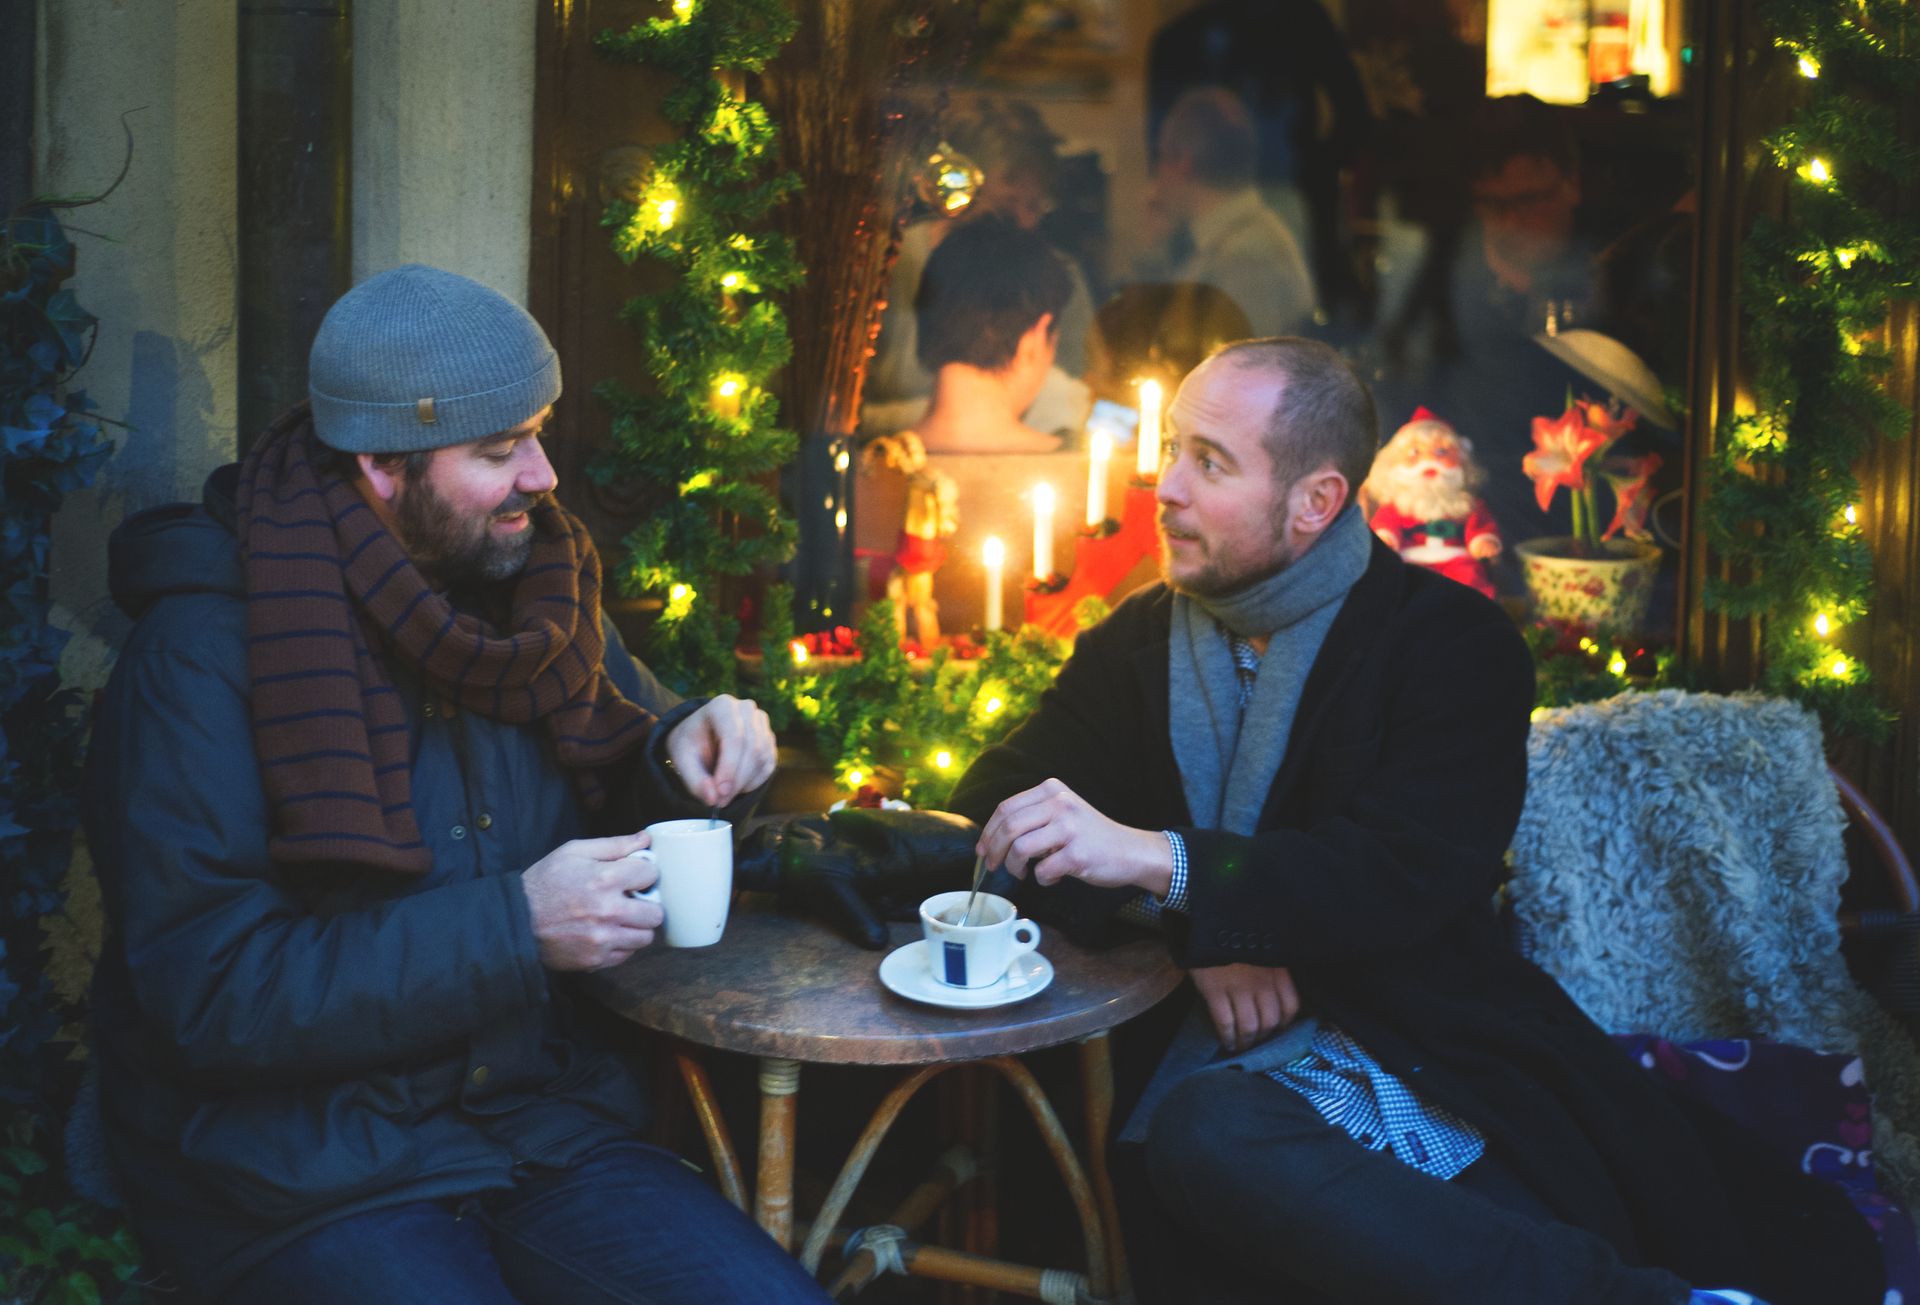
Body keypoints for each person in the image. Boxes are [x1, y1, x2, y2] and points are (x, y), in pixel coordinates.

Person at [949, 338, 1875, 1304]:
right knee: (1208, 1131)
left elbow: (1401, 876)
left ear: (1315, 502)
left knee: (1467, 1219)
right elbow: (991, 814)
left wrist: (1175, 866)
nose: (1165, 487)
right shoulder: (1131, 641)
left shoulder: (1453, 644)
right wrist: (1186, 921)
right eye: (1172, 448)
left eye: (1208, 461)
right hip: (1203, 1091)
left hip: (1423, 1053)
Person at [83, 265, 831, 1304]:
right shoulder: (204, 655)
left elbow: (622, 793)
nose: (542, 476)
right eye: (497, 451)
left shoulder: (534, 594)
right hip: (295, 1172)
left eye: (536, 432)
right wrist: (513, 928)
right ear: (381, 467)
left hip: (537, 1130)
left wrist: (683, 759)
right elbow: (210, 994)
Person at [1137, 87, 1318, 340]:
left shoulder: (1244, 259)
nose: (1155, 179)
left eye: (1161, 158)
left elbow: (1245, 369)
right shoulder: (1226, 243)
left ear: (1183, 163)